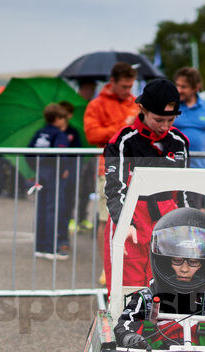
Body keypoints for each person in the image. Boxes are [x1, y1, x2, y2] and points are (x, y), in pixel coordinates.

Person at [114, 207, 205, 352]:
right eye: (177, 260)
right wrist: (133, 339)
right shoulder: (145, 299)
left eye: (193, 262)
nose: (184, 269)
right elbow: (122, 328)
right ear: (165, 261)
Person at [103, 78, 189, 292]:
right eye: (159, 119)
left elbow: (183, 190)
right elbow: (115, 189)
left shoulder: (180, 142)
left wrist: (189, 223)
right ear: (142, 109)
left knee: (165, 290)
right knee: (128, 290)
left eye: (170, 120)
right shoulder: (123, 142)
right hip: (132, 221)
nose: (165, 126)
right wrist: (126, 224)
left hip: (167, 223)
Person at [83, 62, 139, 225]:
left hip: (135, 166)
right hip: (109, 167)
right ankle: (105, 252)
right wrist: (123, 125)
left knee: (133, 219)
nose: (127, 91)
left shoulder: (136, 104)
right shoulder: (97, 105)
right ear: (112, 81)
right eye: (124, 86)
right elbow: (92, 135)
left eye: (130, 86)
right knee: (106, 219)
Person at [27, 103, 70, 260]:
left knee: (42, 209)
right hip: (54, 174)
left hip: (41, 172)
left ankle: (40, 247)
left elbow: (28, 152)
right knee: (53, 209)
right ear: (58, 119)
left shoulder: (40, 132)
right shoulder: (59, 134)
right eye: (64, 118)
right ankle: (51, 248)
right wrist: (63, 169)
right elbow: (61, 153)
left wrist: (36, 167)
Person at [59, 100, 93, 233]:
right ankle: (65, 219)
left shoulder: (74, 131)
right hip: (59, 170)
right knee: (63, 196)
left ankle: (76, 218)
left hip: (73, 168)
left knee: (77, 192)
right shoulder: (52, 131)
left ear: (70, 115)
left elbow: (78, 149)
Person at [173, 67, 205, 169]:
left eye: (183, 87)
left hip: (199, 167)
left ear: (196, 87)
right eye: (177, 85)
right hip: (173, 167)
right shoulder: (171, 105)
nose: (178, 90)